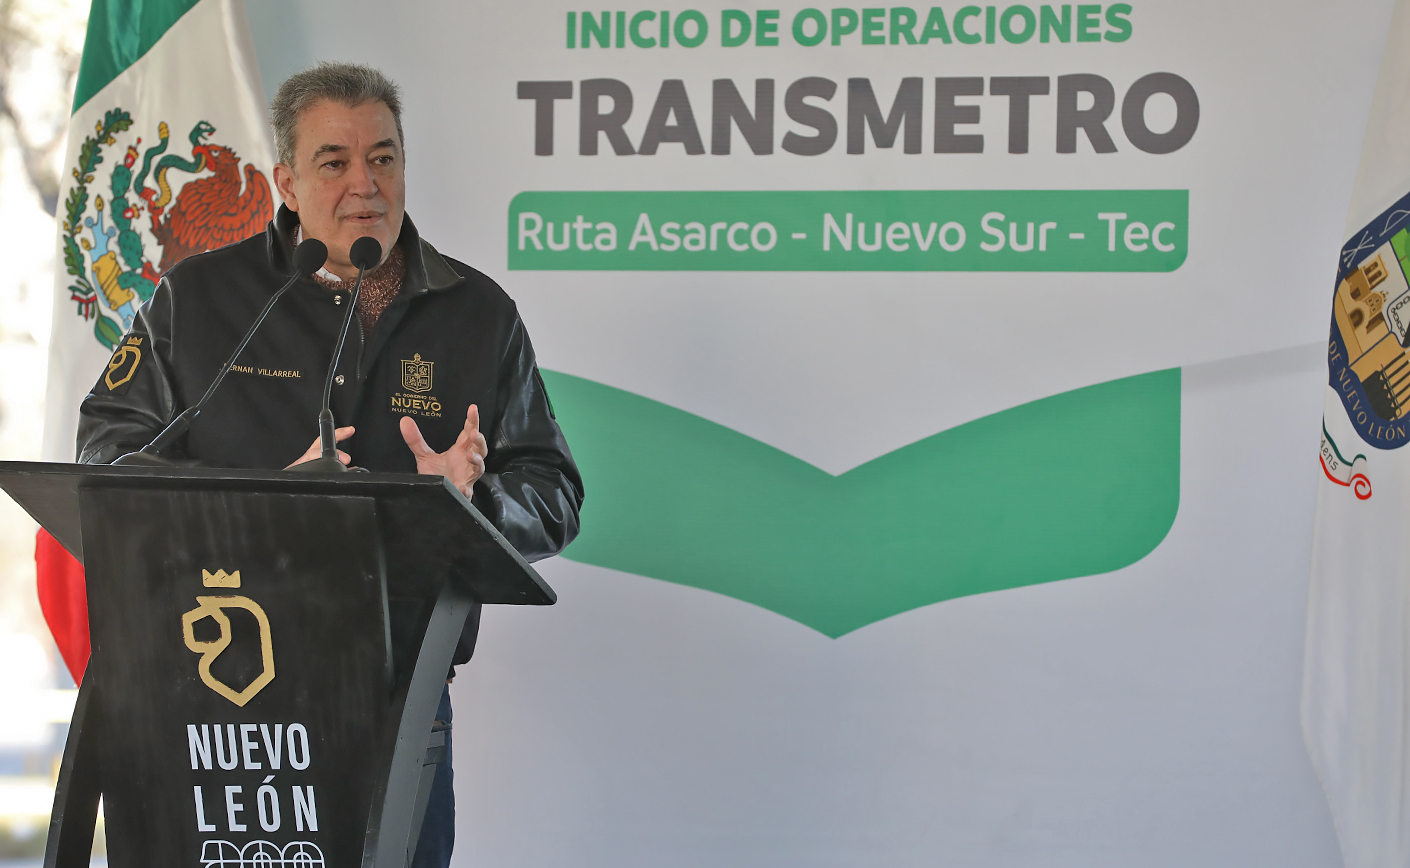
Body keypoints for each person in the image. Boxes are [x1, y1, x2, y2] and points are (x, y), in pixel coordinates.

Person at [74, 62, 584, 868]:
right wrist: (265, 499)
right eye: (334, 162)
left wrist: (465, 501)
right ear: (285, 181)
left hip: (397, 701)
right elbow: (107, 452)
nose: (364, 185)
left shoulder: (477, 313)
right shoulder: (199, 298)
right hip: (215, 697)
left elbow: (553, 494)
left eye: (382, 158)